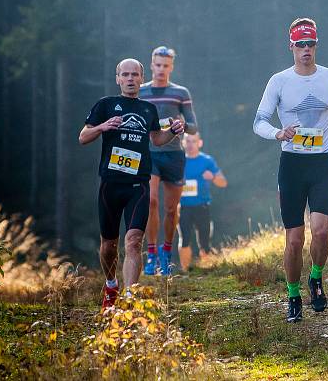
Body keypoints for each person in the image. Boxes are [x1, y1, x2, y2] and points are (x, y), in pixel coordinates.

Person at [253, 18, 328, 323]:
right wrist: (278, 133)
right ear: (292, 47)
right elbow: (258, 121)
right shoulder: (279, 81)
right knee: (295, 240)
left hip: (322, 163)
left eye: (310, 44)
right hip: (293, 166)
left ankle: (316, 277)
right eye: (301, 45)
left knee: (322, 231)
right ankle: (294, 295)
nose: (306, 50)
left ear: (316, 45)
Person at [79, 58, 185, 309]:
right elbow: (83, 136)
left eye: (134, 75)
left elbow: (157, 139)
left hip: (138, 184)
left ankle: (130, 297)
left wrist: (173, 131)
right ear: (117, 78)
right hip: (110, 184)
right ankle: (111, 284)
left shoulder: (148, 109)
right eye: (124, 75)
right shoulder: (105, 105)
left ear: (140, 78)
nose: (129, 79)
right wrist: (103, 127)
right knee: (108, 245)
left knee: (134, 240)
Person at [139, 46, 198, 275]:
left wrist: (182, 126)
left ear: (171, 67)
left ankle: (166, 252)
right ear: (152, 65)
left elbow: (193, 126)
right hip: (149, 153)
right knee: (151, 201)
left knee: (172, 209)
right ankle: (151, 253)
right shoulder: (141, 92)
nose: (162, 69)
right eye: (158, 65)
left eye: (166, 65)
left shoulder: (180, 92)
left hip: (173, 154)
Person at [178, 132, 228, 271]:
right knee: (185, 239)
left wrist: (212, 177)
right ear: (183, 143)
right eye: (188, 141)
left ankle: (206, 268)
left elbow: (223, 182)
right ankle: (185, 271)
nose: (190, 144)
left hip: (202, 206)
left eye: (194, 141)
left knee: (205, 241)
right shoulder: (179, 160)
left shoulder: (207, 160)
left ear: (200, 143)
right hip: (183, 207)